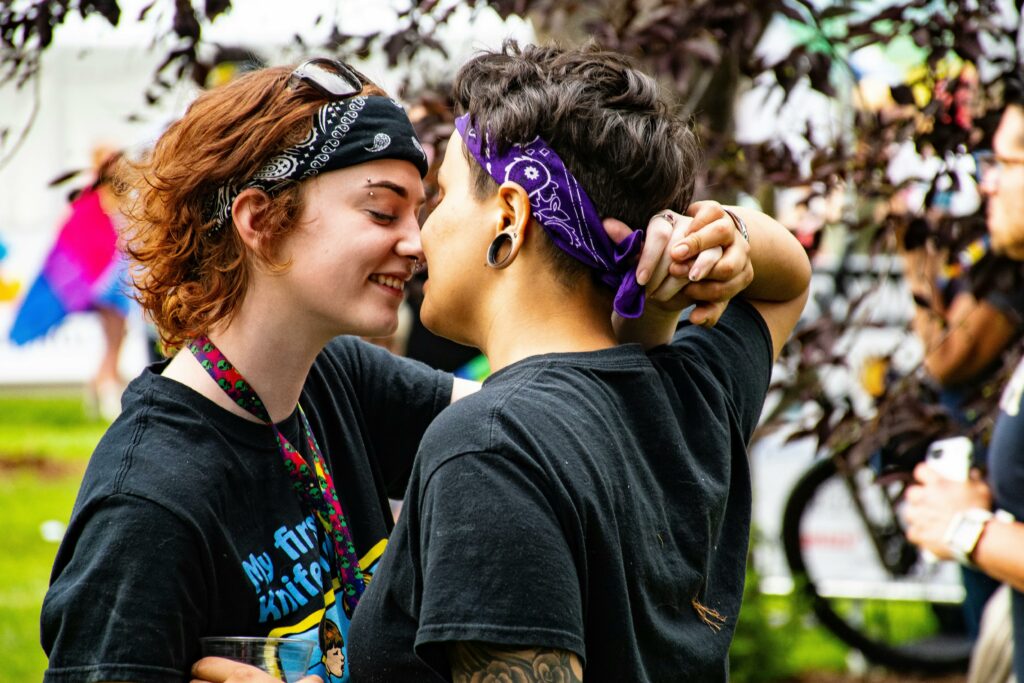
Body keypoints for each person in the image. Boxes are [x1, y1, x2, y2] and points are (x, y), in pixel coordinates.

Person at [41, 58, 748, 683]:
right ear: (259, 220)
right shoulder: (145, 506)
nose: (415, 242)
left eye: (424, 205)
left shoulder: (339, 380)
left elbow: (567, 426)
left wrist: (690, 255)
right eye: (383, 210)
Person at [345, 42, 811, 682]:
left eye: (443, 195)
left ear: (509, 216)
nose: (419, 231)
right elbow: (788, 283)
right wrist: (728, 231)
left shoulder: (490, 449)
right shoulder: (691, 394)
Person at [905, 100, 1024, 682]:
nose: (989, 182)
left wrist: (970, 529)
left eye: (1006, 160)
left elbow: (945, 357)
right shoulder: (986, 248)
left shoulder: (1005, 276)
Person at [9, 144, 134, 420]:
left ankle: (103, 383)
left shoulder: (122, 199)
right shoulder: (90, 201)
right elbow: (78, 240)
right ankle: (108, 388)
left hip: (116, 281)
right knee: (115, 334)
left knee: (117, 335)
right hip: (101, 284)